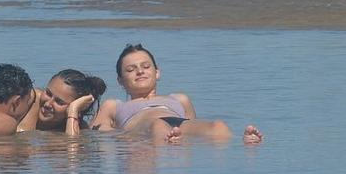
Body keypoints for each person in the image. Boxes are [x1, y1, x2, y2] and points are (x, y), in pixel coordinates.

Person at [95, 42, 262, 144]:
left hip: (176, 123)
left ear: (157, 72)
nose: (140, 71)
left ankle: (245, 142)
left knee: (218, 126)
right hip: (145, 126)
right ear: (120, 81)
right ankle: (169, 141)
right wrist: (125, 136)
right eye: (131, 69)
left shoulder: (179, 99)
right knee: (158, 126)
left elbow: (192, 129)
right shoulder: (114, 105)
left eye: (146, 67)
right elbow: (97, 134)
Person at [16, 68, 108, 135]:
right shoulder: (28, 99)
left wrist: (73, 109)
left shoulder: (76, 126)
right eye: (48, 93)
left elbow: (72, 155)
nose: (48, 104)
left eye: (59, 102)